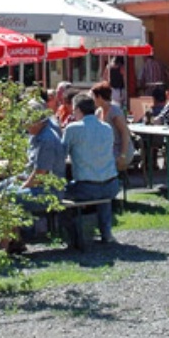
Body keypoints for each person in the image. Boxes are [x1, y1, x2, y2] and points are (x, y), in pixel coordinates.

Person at [0, 101, 67, 253]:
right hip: (37, 184)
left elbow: (40, 175)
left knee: (9, 196)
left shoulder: (46, 139)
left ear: (37, 120)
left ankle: (4, 245)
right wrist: (19, 178)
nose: (24, 125)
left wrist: (21, 187)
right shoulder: (36, 135)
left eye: (26, 121)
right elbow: (32, 169)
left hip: (49, 191)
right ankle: (15, 240)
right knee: (1, 187)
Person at [62, 93, 119, 244]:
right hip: (112, 185)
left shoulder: (72, 129)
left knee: (58, 193)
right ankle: (106, 232)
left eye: (74, 110)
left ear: (79, 110)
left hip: (86, 188)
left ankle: (73, 237)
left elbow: (62, 154)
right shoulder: (107, 128)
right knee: (102, 187)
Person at [90, 81, 136, 173]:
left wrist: (122, 156)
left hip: (120, 149)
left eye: (94, 97)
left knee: (99, 164)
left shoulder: (114, 112)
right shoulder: (98, 112)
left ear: (99, 97)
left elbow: (124, 133)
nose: (93, 100)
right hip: (107, 149)